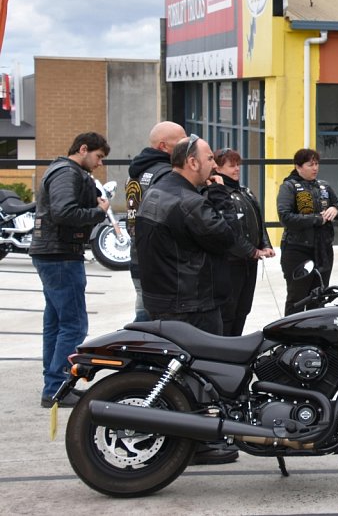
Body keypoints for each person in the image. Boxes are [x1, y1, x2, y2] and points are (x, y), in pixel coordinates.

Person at [135, 133, 240, 466]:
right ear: (192, 162)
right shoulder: (190, 201)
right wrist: (220, 191)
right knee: (201, 375)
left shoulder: (157, 191)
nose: (214, 164)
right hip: (192, 302)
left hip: (165, 297)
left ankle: (184, 438)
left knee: (177, 372)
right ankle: (197, 443)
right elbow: (226, 235)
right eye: (209, 158)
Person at [31, 132, 111, 408]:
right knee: (74, 325)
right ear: (83, 149)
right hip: (60, 255)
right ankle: (57, 387)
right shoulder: (68, 173)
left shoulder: (60, 170)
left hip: (51, 252)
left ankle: (53, 385)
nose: (99, 163)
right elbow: (64, 212)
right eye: (98, 157)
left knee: (55, 323)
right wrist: (98, 212)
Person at [125, 121, 187, 321]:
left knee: (144, 312)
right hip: (157, 262)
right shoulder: (166, 175)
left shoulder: (137, 172)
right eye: (181, 142)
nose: (186, 146)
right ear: (163, 146)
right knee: (150, 323)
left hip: (139, 256)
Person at [212, 148, 275, 336]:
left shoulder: (245, 191)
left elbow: (258, 222)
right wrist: (252, 251)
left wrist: (265, 245)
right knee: (228, 312)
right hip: (230, 262)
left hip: (249, 262)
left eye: (238, 165)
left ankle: (236, 343)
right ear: (218, 168)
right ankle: (225, 349)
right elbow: (227, 231)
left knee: (243, 308)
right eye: (232, 165)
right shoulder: (217, 193)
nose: (237, 169)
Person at [277, 148, 338, 315]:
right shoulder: (289, 187)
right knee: (297, 298)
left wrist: (335, 209)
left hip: (323, 249)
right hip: (298, 249)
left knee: (319, 297)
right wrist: (316, 219)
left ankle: (315, 337)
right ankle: (292, 338)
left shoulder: (324, 186)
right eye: (310, 165)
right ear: (298, 167)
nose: (315, 168)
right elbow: (285, 217)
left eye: (317, 164)